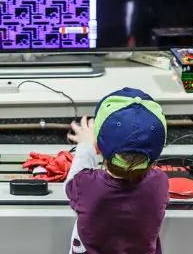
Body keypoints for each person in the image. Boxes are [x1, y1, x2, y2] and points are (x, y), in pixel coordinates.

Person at [64, 87, 169, 254]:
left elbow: (70, 183)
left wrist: (85, 146)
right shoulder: (160, 182)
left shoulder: (86, 185)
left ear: (98, 146)